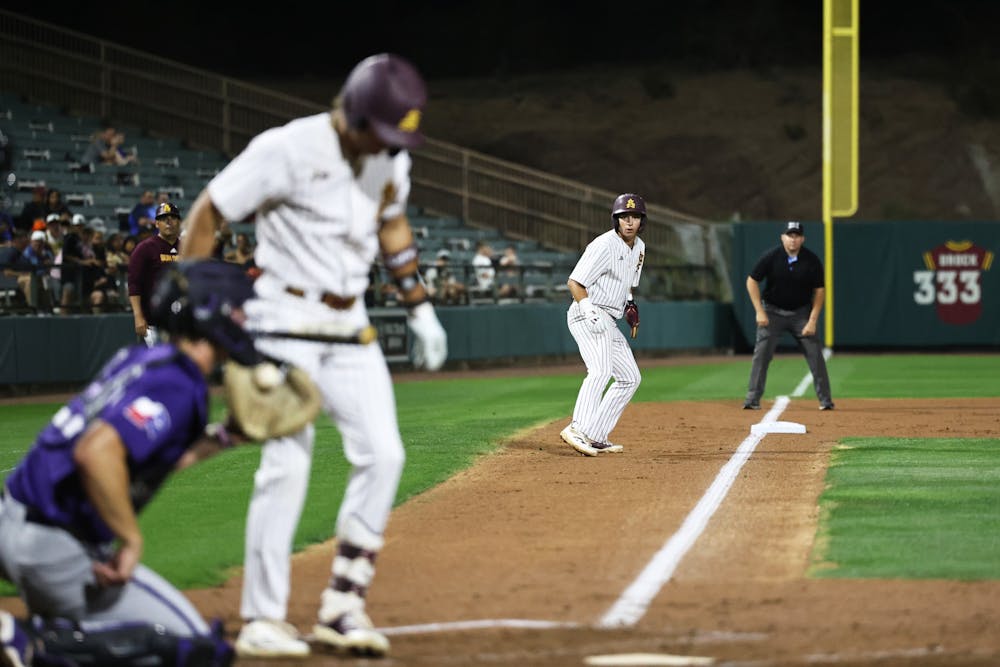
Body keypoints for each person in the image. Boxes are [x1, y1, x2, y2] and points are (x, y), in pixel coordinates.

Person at [178, 52, 448, 659]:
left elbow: (393, 223)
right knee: (288, 464)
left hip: (349, 322)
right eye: (380, 132)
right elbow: (209, 211)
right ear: (353, 113)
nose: (386, 147)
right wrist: (192, 311)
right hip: (282, 318)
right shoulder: (287, 148)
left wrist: (419, 307)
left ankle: (343, 606)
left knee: (384, 454)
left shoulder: (389, 155)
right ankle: (263, 618)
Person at [0, 260, 258, 667]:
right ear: (214, 313)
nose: (245, 318)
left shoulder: (139, 359)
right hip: (55, 548)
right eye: (239, 309)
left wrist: (226, 437)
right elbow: (97, 452)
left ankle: (51, 632)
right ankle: (38, 646)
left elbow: (140, 458)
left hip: (12, 520)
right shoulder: (179, 382)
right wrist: (131, 539)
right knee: (195, 649)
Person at [560, 193, 646, 456]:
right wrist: (588, 308)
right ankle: (577, 428)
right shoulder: (604, 245)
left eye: (634, 217)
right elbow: (575, 282)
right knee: (600, 370)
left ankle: (596, 435)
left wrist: (629, 304)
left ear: (641, 221)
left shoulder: (640, 247)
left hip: (609, 318)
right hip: (587, 313)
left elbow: (628, 283)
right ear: (615, 220)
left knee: (630, 378)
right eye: (624, 217)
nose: (629, 222)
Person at [743, 220, 834, 411]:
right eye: (789, 235)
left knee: (815, 355)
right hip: (772, 312)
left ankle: (826, 401)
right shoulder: (771, 257)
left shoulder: (811, 260)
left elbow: (819, 290)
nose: (793, 239)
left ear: (802, 239)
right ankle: (752, 399)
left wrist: (812, 320)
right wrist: (759, 311)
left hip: (801, 313)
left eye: (797, 236)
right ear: (782, 237)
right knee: (762, 355)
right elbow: (751, 281)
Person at [128, 202, 182, 345]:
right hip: (154, 322)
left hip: (181, 321)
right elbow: (134, 284)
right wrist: (138, 316)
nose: (169, 222)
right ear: (157, 224)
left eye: (173, 218)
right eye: (164, 219)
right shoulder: (144, 248)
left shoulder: (186, 247)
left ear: (179, 222)